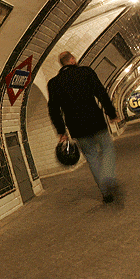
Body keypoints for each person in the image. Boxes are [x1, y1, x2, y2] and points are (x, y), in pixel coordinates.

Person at [47, 51, 121, 203]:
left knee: (92, 157)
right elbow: (101, 93)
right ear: (72, 60)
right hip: (96, 121)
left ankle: (105, 192)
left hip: (77, 128)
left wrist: (61, 131)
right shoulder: (85, 72)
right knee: (107, 149)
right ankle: (107, 175)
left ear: (62, 63)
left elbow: (54, 110)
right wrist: (111, 113)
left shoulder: (54, 83)